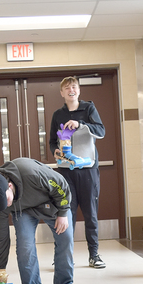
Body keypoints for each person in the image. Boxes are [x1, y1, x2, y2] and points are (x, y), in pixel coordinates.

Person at [0, 157, 80, 284]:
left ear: (10, 186)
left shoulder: (31, 174)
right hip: (24, 210)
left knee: (66, 238)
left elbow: (61, 185)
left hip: (52, 202)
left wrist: (63, 212)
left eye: (6, 199)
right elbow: (0, 237)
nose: (5, 204)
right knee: (25, 244)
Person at [49, 76, 107, 269]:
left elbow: (101, 131)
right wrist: (54, 151)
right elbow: (51, 141)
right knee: (66, 213)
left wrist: (80, 125)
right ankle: (65, 256)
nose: (71, 90)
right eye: (67, 88)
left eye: (74, 87)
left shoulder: (89, 108)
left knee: (90, 213)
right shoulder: (58, 114)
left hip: (87, 169)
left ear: (79, 90)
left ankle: (94, 255)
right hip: (65, 171)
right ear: (62, 93)